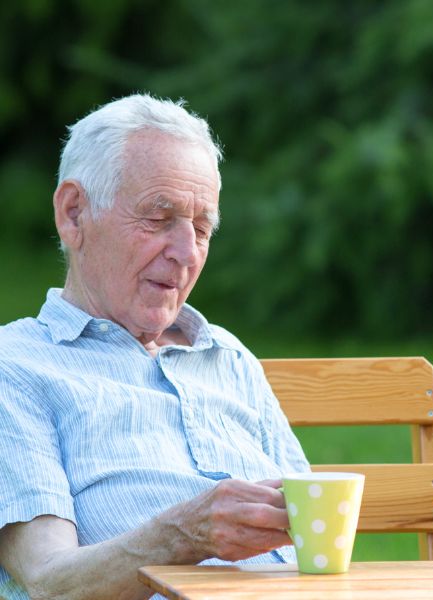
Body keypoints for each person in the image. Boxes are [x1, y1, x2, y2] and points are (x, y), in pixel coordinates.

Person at [0, 94, 311, 599]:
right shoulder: (14, 366)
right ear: (74, 214)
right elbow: (48, 582)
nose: (187, 253)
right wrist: (180, 535)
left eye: (202, 228)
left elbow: (314, 535)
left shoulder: (227, 356)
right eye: (158, 218)